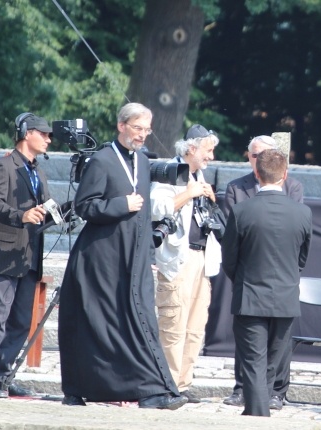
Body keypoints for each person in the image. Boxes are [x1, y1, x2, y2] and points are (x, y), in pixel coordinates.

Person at [58, 102, 186, 410]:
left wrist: (147, 253)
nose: (142, 135)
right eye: (137, 128)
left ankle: (154, 389)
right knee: (98, 327)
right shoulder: (101, 160)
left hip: (135, 257)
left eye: (146, 129)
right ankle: (87, 388)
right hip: (100, 260)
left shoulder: (142, 160)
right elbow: (84, 206)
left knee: (140, 322)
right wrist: (120, 204)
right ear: (121, 126)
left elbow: (141, 213)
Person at [222, 149, 312, 416]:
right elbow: (302, 259)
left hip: (249, 295)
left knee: (253, 361)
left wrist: (243, 281)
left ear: (257, 173)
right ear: (284, 175)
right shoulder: (303, 212)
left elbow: (229, 259)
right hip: (285, 298)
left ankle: (257, 416)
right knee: (272, 363)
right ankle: (258, 413)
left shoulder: (240, 211)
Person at [0, 113, 52, 398]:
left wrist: (61, 213)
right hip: (5, 254)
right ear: (26, 133)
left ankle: (3, 376)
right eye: (43, 133)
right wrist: (22, 216)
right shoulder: (1, 165)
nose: (48, 139)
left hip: (30, 256)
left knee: (20, 321)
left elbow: (41, 213)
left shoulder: (39, 172)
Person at [150, 124, 221, 403]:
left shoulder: (199, 175)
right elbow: (156, 209)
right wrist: (190, 193)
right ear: (192, 149)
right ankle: (167, 383)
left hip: (202, 258)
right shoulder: (170, 173)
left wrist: (209, 199)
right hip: (178, 259)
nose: (211, 157)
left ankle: (184, 383)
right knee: (173, 323)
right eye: (208, 150)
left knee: (195, 326)